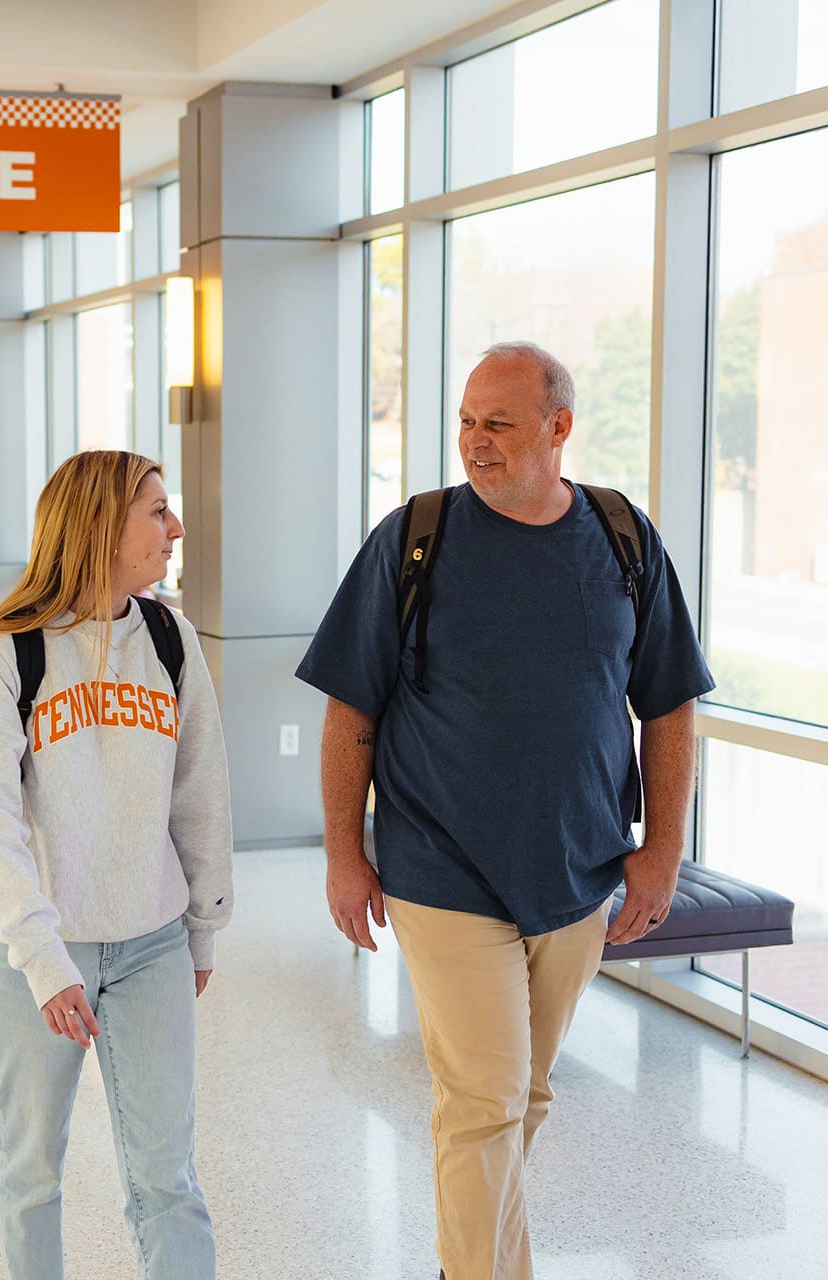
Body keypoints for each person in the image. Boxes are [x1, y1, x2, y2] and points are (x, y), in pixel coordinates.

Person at [295, 342, 714, 1280]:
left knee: (521, 1095)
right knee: (484, 1096)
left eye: (498, 424)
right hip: (440, 866)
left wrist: (664, 851)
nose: (473, 443)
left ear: (559, 429)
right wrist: (341, 853)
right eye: (465, 421)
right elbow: (349, 710)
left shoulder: (622, 538)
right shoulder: (415, 537)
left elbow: (672, 704)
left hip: (578, 870)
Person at [0, 450, 233, 1280]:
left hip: (152, 947)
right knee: (32, 1172)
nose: (175, 528)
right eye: (156, 511)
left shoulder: (171, 640)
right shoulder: (5, 656)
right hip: (34, 955)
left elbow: (201, 795)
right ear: (102, 528)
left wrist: (203, 933)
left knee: (167, 1179)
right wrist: (43, 961)